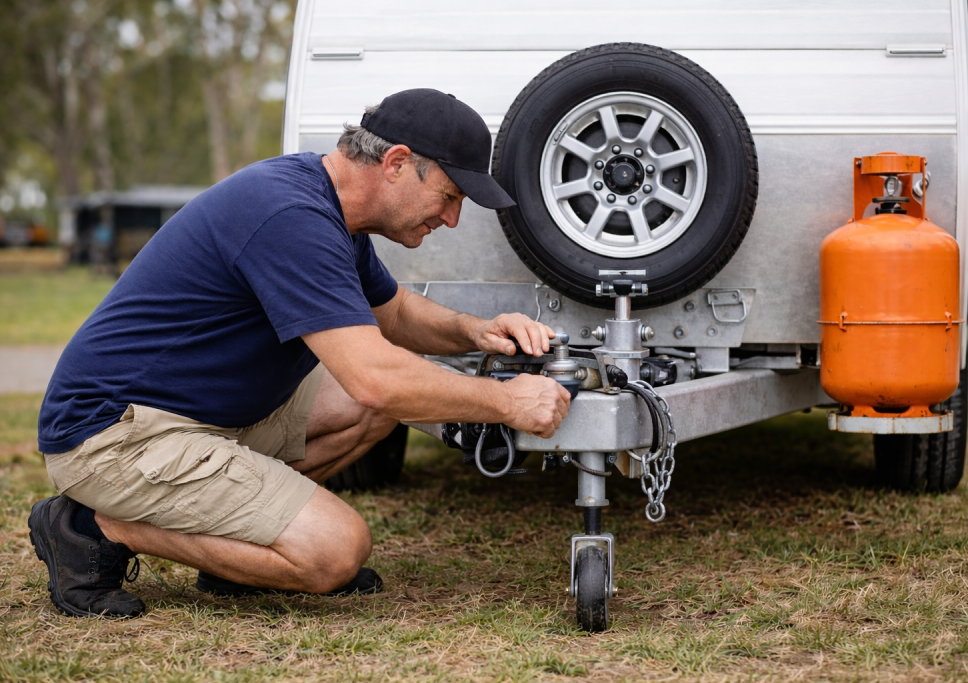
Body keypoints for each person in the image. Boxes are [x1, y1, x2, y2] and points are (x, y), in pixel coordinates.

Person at [28, 89, 571, 619]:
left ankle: (240, 558)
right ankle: (90, 528)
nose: (451, 219)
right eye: (450, 196)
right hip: (114, 434)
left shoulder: (331, 209)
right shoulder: (289, 214)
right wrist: (508, 403)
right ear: (399, 163)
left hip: (196, 414)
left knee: (383, 407)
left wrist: (478, 331)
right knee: (334, 552)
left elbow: (396, 315)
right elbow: (375, 377)